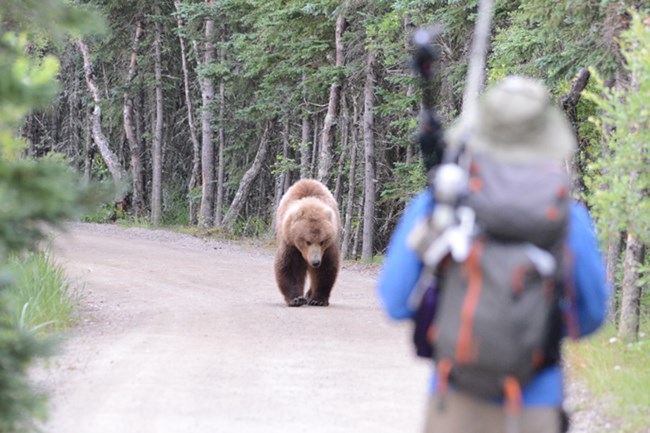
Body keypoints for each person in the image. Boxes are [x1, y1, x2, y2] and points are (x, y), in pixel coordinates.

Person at [377, 76, 609, 433]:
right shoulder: (568, 218)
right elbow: (591, 317)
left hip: (454, 402)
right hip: (534, 407)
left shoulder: (440, 204)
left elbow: (395, 301)